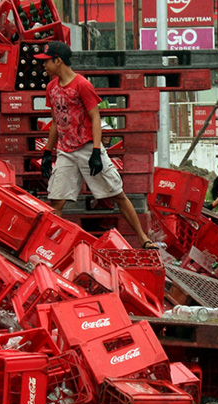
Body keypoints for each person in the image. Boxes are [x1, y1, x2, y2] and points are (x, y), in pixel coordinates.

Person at [37, 41, 157, 249]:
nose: (43, 66)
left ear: (58, 61)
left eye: (46, 61)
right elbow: (56, 121)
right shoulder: (51, 88)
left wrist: (95, 151)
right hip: (65, 151)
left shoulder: (82, 85)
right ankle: (47, 248)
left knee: (117, 194)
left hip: (86, 148)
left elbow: (95, 117)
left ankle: (144, 239)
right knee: (56, 201)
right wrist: (48, 152)